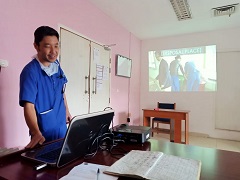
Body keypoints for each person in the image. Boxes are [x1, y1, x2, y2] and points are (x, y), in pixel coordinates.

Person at [19, 26, 72, 149]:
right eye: (47, 46)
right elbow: (29, 106)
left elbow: (61, 90)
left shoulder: (56, 66)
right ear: (36, 46)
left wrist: (67, 111)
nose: (53, 51)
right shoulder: (30, 72)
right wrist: (35, 132)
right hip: (44, 133)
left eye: (56, 45)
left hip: (61, 126)